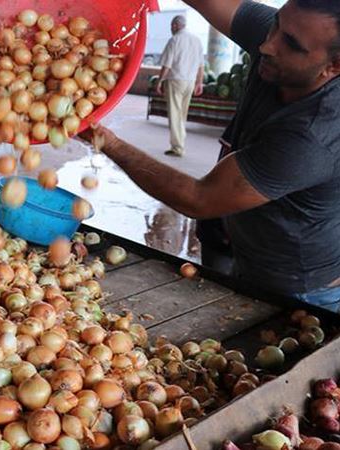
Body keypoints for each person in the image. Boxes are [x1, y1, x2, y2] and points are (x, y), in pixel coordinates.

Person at [81, 0, 340, 311]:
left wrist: (108, 142)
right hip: (243, 243)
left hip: (298, 286)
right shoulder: (285, 33)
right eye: (276, 24)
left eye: (291, 45)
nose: (267, 45)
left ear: (334, 66)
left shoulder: (313, 134)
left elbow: (199, 198)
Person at [155, 15, 204, 157]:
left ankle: (177, 147)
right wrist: (199, 82)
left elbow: (167, 65)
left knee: (175, 114)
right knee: (182, 114)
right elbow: (201, 65)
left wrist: (159, 81)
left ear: (176, 25)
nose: (171, 29)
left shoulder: (174, 40)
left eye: (171, 26)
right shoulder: (197, 40)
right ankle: (180, 142)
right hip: (190, 82)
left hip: (176, 80)